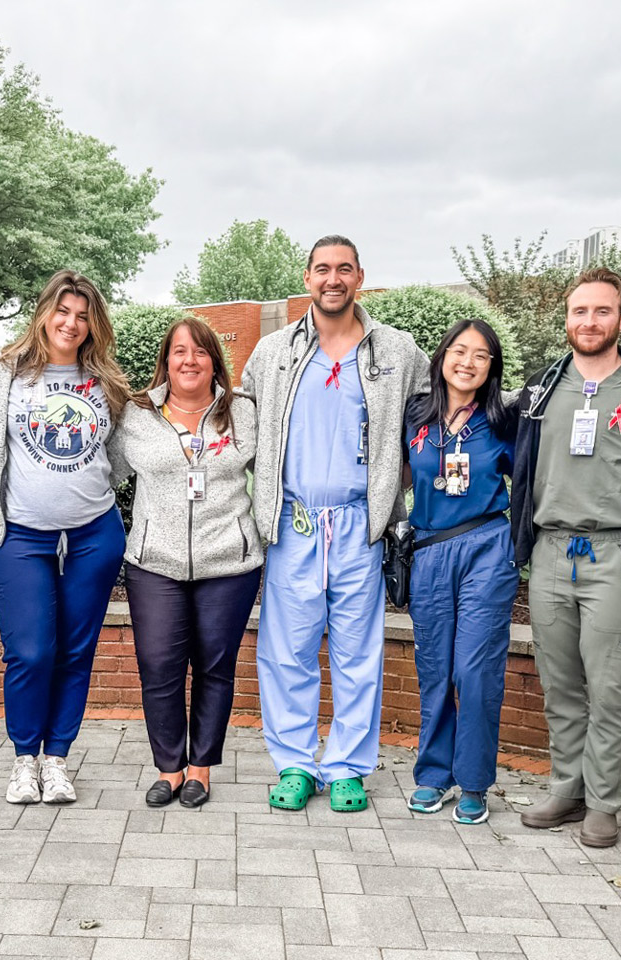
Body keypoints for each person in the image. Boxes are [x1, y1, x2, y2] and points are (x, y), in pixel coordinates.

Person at [241, 235, 429, 813]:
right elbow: (241, 423)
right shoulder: (272, 352)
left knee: (356, 652)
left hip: (358, 525)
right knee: (287, 651)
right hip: (294, 522)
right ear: (307, 277)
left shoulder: (397, 350)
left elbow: (428, 422)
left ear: (360, 277)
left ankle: (347, 765)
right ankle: (296, 762)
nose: (333, 279)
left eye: (344, 269)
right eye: (322, 269)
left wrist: (395, 494)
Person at [511, 266, 621, 848]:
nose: (590, 321)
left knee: (609, 687)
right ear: (567, 319)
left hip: (615, 555)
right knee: (560, 684)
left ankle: (604, 801)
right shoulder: (540, 388)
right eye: (580, 311)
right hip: (552, 551)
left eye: (602, 311)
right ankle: (567, 786)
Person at [0, 270, 130, 804]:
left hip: (93, 534)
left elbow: (122, 457)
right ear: (43, 313)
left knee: (76, 650)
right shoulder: (3, 374)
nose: (72, 323)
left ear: (94, 323)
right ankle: (24, 759)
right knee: (32, 651)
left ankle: (57, 759)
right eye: (63, 311)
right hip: (18, 536)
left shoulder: (106, 380)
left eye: (83, 315)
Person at [112, 317, 262, 808]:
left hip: (230, 563)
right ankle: (168, 767)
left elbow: (276, 473)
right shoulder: (136, 414)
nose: (189, 360)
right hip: (155, 562)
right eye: (179, 352)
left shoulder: (244, 411)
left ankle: (201, 768)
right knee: (159, 665)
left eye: (200, 351)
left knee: (215, 667)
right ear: (166, 361)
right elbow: (105, 473)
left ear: (214, 360)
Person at [402, 319, 519, 825]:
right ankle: (433, 775)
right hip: (429, 551)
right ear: (442, 356)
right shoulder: (416, 416)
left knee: (473, 672)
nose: (467, 362)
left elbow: (534, 479)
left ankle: (473, 781)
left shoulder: (505, 420)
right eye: (459, 350)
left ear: (492, 367)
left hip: (487, 549)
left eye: (481, 355)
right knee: (435, 671)